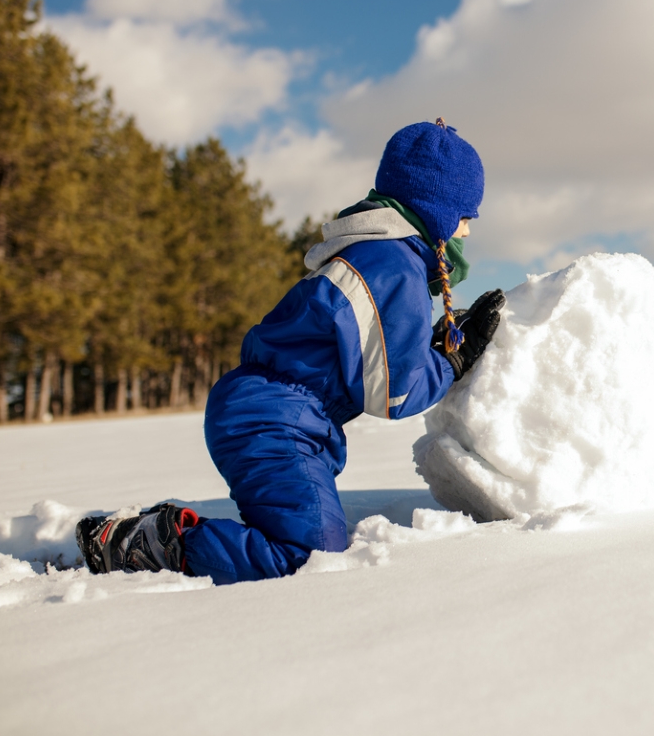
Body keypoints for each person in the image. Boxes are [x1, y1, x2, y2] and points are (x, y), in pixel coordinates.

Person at [76, 119, 505, 584]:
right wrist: (451, 362)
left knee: (309, 542)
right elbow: (393, 394)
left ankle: (154, 538)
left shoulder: (380, 258)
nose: (465, 230)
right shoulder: (392, 268)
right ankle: (147, 544)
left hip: (272, 414)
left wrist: (436, 346)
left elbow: (368, 352)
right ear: (435, 207)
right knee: (307, 556)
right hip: (272, 421)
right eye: (465, 215)